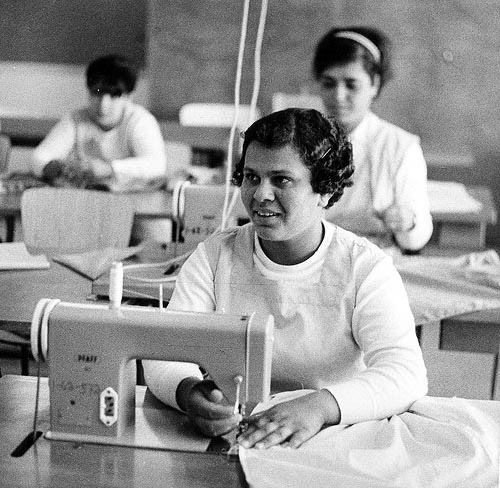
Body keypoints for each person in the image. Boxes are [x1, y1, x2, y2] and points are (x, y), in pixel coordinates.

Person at [143, 108, 428, 449]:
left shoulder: (364, 268)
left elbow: (405, 373)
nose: (260, 194)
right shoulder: (214, 257)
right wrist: (188, 390)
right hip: (239, 435)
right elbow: (163, 350)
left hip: (335, 434)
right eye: (251, 177)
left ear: (324, 190)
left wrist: (321, 406)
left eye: (281, 179)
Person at [313, 27, 433, 252]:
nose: (338, 96)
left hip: (377, 261)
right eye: (329, 83)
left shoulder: (399, 146)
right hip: (312, 258)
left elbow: (416, 238)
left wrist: (408, 221)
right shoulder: (301, 140)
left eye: (351, 84)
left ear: (374, 84)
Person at [31, 54, 167, 192]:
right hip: (86, 202)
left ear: (129, 97)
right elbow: (38, 157)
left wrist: (109, 169)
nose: (103, 106)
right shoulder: (76, 119)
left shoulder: (140, 121)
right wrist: (59, 167)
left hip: (130, 204)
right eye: (97, 94)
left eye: (114, 96)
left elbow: (157, 166)